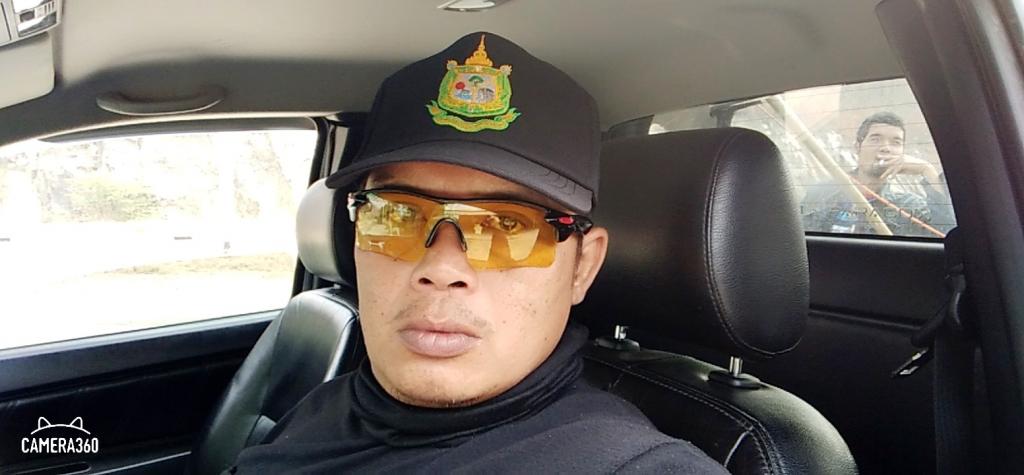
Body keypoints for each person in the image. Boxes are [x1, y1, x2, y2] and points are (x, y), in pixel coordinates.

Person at [228, 32, 726, 473]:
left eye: (507, 225)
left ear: (583, 267)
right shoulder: (333, 400)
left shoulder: (634, 465)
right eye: (398, 214)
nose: (441, 268)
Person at [802, 111, 955, 237]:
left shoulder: (907, 206)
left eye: (896, 142)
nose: (885, 148)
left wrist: (927, 170)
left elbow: (947, 237)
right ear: (857, 147)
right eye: (875, 139)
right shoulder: (821, 193)